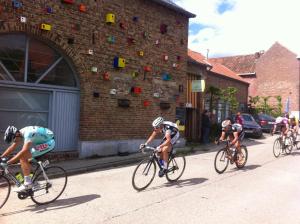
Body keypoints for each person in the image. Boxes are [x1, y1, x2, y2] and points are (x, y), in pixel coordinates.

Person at [0, 126, 55, 192]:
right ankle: (33, 181)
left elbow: (23, 151)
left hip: (49, 142)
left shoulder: (28, 134)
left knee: (23, 157)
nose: (14, 142)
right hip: (43, 141)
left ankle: (28, 184)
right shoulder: (19, 133)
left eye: (14, 140)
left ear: (17, 134)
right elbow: (11, 148)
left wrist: (8, 162)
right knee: (25, 160)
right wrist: (1, 157)